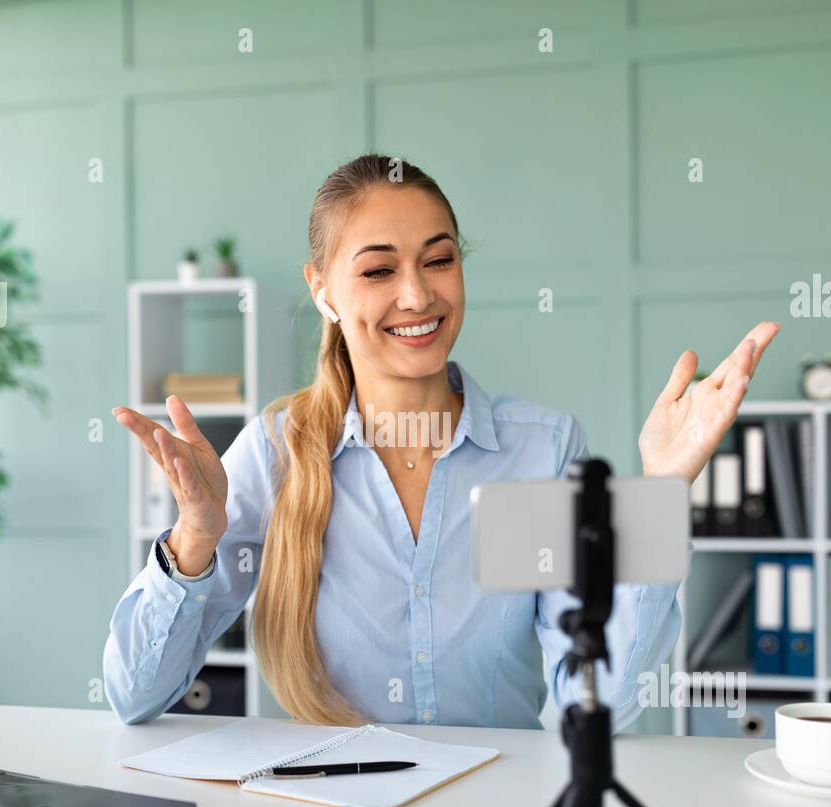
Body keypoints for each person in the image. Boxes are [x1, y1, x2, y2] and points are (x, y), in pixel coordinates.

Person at [104, 153, 778, 730]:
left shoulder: (536, 453)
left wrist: (660, 493)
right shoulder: (275, 453)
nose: (418, 294)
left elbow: (595, 697)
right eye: (377, 271)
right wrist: (194, 539)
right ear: (323, 290)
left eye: (439, 260)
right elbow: (136, 698)